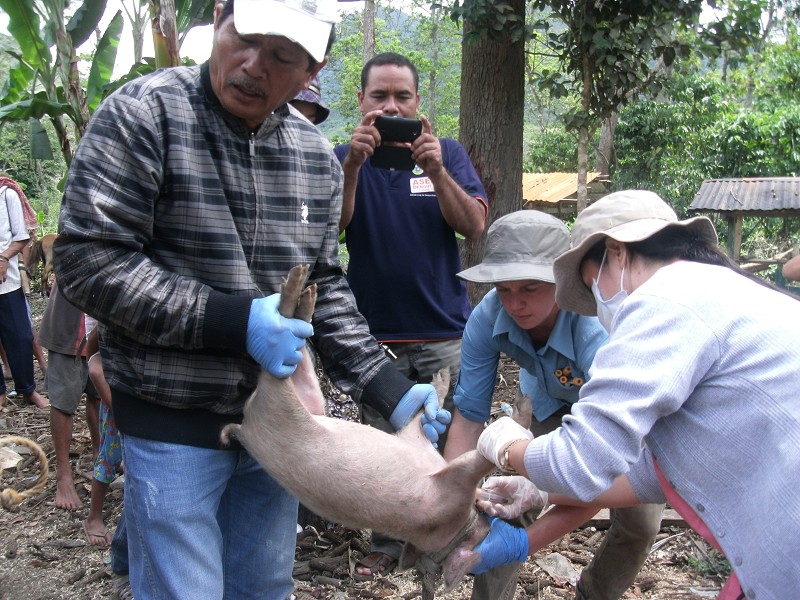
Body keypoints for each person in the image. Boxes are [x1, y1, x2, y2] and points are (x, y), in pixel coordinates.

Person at [53, 1, 450, 598]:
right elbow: (89, 260)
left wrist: (384, 385)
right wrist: (232, 320)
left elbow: (324, 282)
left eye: (283, 57)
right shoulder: (143, 116)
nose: (253, 66)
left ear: (312, 69)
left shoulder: (314, 156)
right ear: (219, 17)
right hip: (171, 416)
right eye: (244, 39)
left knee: (261, 586)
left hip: (281, 428)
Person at [470, 190, 800, 599]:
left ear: (617, 253)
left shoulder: (664, 300)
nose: (597, 302)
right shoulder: (724, 293)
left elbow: (582, 460)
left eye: (593, 283)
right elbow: (650, 475)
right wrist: (540, 491)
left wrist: (507, 447)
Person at [443, 209, 663, 600]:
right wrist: (451, 496)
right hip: (549, 402)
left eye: (530, 288)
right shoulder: (487, 319)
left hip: (620, 414)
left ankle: (595, 593)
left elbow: (597, 473)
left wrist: (535, 518)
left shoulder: (596, 327)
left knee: (640, 523)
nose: (515, 304)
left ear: (562, 277)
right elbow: (468, 419)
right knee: (505, 501)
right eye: (504, 289)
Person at [333, 51, 489, 579]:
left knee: (451, 441)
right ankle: (388, 540)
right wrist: (353, 167)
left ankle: (444, 535)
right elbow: (331, 229)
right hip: (374, 337)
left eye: (402, 97)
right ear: (361, 102)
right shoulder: (344, 157)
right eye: (380, 97)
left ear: (418, 103)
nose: (391, 106)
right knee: (384, 444)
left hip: (445, 329)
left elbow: (474, 226)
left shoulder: (446, 154)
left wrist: (438, 171)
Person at [38, 281, 100, 509]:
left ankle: (100, 456)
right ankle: (64, 476)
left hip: (102, 322)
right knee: (64, 401)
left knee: (98, 395)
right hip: (70, 324)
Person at [0, 174, 47, 408]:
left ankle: (28, 390)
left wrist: (3, 257)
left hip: (6, 282)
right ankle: (0, 392)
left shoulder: (7, 194)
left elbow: (21, 238)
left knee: (20, 336)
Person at [82, 327, 123, 547]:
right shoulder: (109, 324)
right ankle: (93, 517)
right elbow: (95, 367)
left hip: (139, 405)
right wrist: (114, 407)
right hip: (117, 404)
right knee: (109, 457)